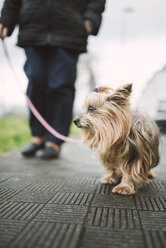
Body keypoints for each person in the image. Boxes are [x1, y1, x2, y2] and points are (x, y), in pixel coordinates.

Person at [0, 0, 106, 159]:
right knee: (35, 81)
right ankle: (37, 135)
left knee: (61, 85)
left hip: (69, 29)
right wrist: (6, 19)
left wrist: (90, 19)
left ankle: (55, 139)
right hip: (33, 27)